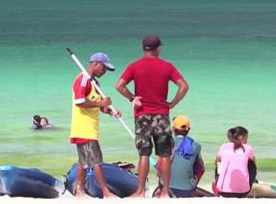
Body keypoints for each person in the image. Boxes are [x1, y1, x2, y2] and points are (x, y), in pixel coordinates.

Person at [115, 35, 189, 197]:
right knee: (164, 154)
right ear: (158, 49)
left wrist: (132, 98)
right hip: (161, 116)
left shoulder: (134, 66)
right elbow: (184, 86)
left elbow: (119, 86)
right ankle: (164, 192)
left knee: (144, 154)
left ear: (143, 48)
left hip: (142, 116)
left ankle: (140, 192)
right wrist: (173, 103)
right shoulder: (167, 66)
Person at [70, 52, 119, 198]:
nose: (104, 72)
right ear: (96, 64)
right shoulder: (83, 79)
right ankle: (106, 192)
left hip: (91, 127)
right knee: (96, 161)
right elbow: (79, 102)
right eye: (104, 68)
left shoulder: (95, 83)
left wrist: (109, 111)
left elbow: (98, 107)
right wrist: (100, 103)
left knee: (84, 162)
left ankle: (80, 190)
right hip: (83, 127)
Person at [154, 115, 205, 198]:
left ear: (173, 129)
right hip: (186, 190)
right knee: (197, 163)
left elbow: (159, 166)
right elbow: (202, 168)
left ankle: (162, 190)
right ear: (188, 129)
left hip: (164, 187)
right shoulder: (196, 146)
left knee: (163, 162)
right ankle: (191, 186)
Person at [214, 126, 256, 198]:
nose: (247, 141)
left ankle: (218, 182)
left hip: (223, 191)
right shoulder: (248, 148)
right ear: (240, 137)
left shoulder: (223, 147)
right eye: (246, 138)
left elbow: (217, 162)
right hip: (243, 191)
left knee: (218, 163)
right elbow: (254, 161)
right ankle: (247, 182)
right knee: (251, 164)